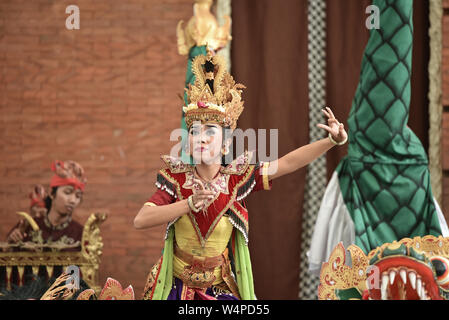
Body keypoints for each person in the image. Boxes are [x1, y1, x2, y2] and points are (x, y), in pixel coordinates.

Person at [134, 50, 348, 300]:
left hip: (219, 289)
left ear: (225, 145)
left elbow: (288, 162)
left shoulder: (238, 179)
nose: (200, 137)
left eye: (210, 131)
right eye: (193, 131)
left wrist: (332, 141)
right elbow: (141, 220)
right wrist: (188, 204)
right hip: (176, 288)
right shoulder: (176, 179)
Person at [6, 160, 87, 251]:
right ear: (51, 193)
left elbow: (86, 264)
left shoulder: (81, 234)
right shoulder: (27, 227)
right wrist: (10, 245)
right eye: (67, 192)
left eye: (78, 196)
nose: (73, 200)